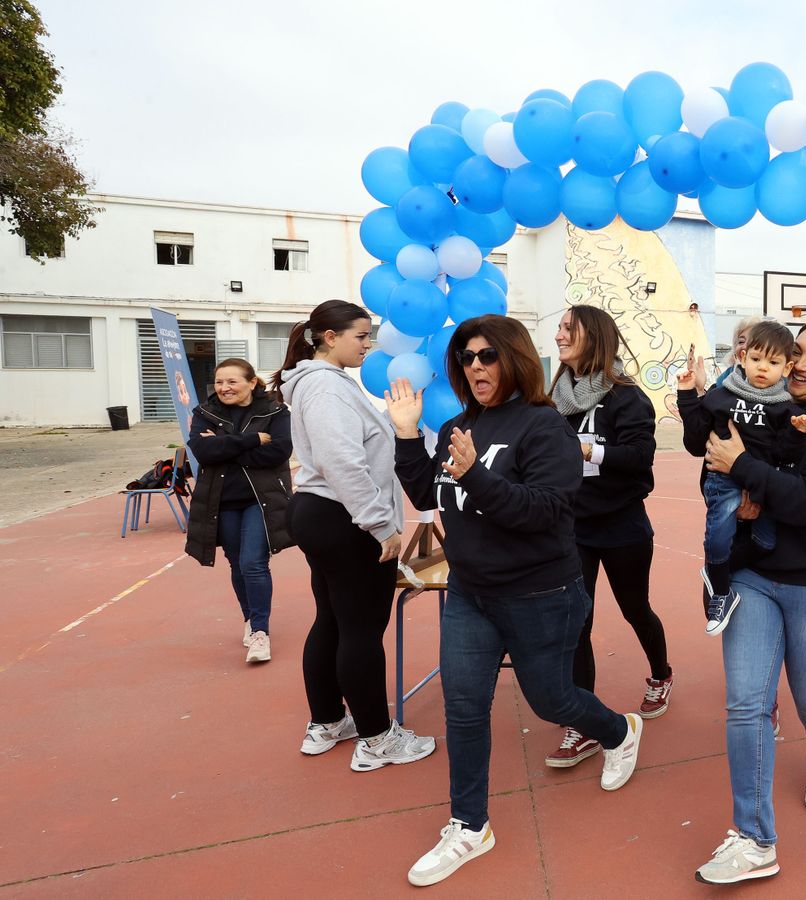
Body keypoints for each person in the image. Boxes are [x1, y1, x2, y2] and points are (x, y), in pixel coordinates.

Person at [387, 315, 644, 887]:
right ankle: (469, 825)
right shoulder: (456, 426)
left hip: (541, 595)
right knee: (463, 707)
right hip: (471, 594)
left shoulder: (544, 426)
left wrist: (476, 476)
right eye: (466, 357)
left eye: (487, 355)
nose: (475, 366)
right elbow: (430, 492)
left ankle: (619, 731)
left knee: (552, 701)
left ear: (514, 358)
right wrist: (406, 436)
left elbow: (545, 510)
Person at [692, 317, 806, 885]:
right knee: (747, 704)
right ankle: (753, 839)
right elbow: (714, 465)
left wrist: (747, 471)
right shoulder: (757, 401)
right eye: (799, 353)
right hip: (754, 575)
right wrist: (741, 483)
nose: (801, 365)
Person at [278, 300, 435, 771]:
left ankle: (328, 722)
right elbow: (342, 462)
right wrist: (381, 524)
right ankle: (377, 739)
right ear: (330, 337)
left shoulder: (325, 382)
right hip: (343, 517)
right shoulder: (325, 387)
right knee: (360, 630)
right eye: (362, 336)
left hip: (327, 514)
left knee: (333, 621)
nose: (369, 344)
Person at [545, 305, 673, 769]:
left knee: (635, 608)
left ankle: (660, 674)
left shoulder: (627, 397)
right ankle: (584, 722)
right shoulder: (552, 398)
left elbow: (639, 457)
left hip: (621, 525)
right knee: (577, 619)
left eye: (568, 328)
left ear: (594, 337)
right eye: (559, 327)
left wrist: (588, 450)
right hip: (571, 529)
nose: (559, 335)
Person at [679, 320, 806, 635]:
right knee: (718, 537)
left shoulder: (785, 408)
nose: (762, 368)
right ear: (742, 357)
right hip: (724, 481)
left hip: (760, 484)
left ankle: (716, 571)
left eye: (773, 362)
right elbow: (696, 438)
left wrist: (797, 434)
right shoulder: (721, 395)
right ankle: (721, 594)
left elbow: (783, 455)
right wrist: (688, 395)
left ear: (787, 367)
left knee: (766, 542)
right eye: (756, 359)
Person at [185, 358, 293, 664]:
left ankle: (260, 632)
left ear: (251, 382)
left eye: (232, 381)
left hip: (261, 499)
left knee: (253, 563)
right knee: (236, 564)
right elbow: (202, 450)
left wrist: (225, 447)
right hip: (222, 501)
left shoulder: (275, 411)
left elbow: (279, 452)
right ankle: (249, 618)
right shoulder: (204, 412)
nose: (224, 388)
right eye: (220, 382)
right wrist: (250, 441)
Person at [716, 316, 765, 388]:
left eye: (752, 341)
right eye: (741, 341)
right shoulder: (724, 378)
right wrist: (700, 389)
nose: (745, 346)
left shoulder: (775, 378)